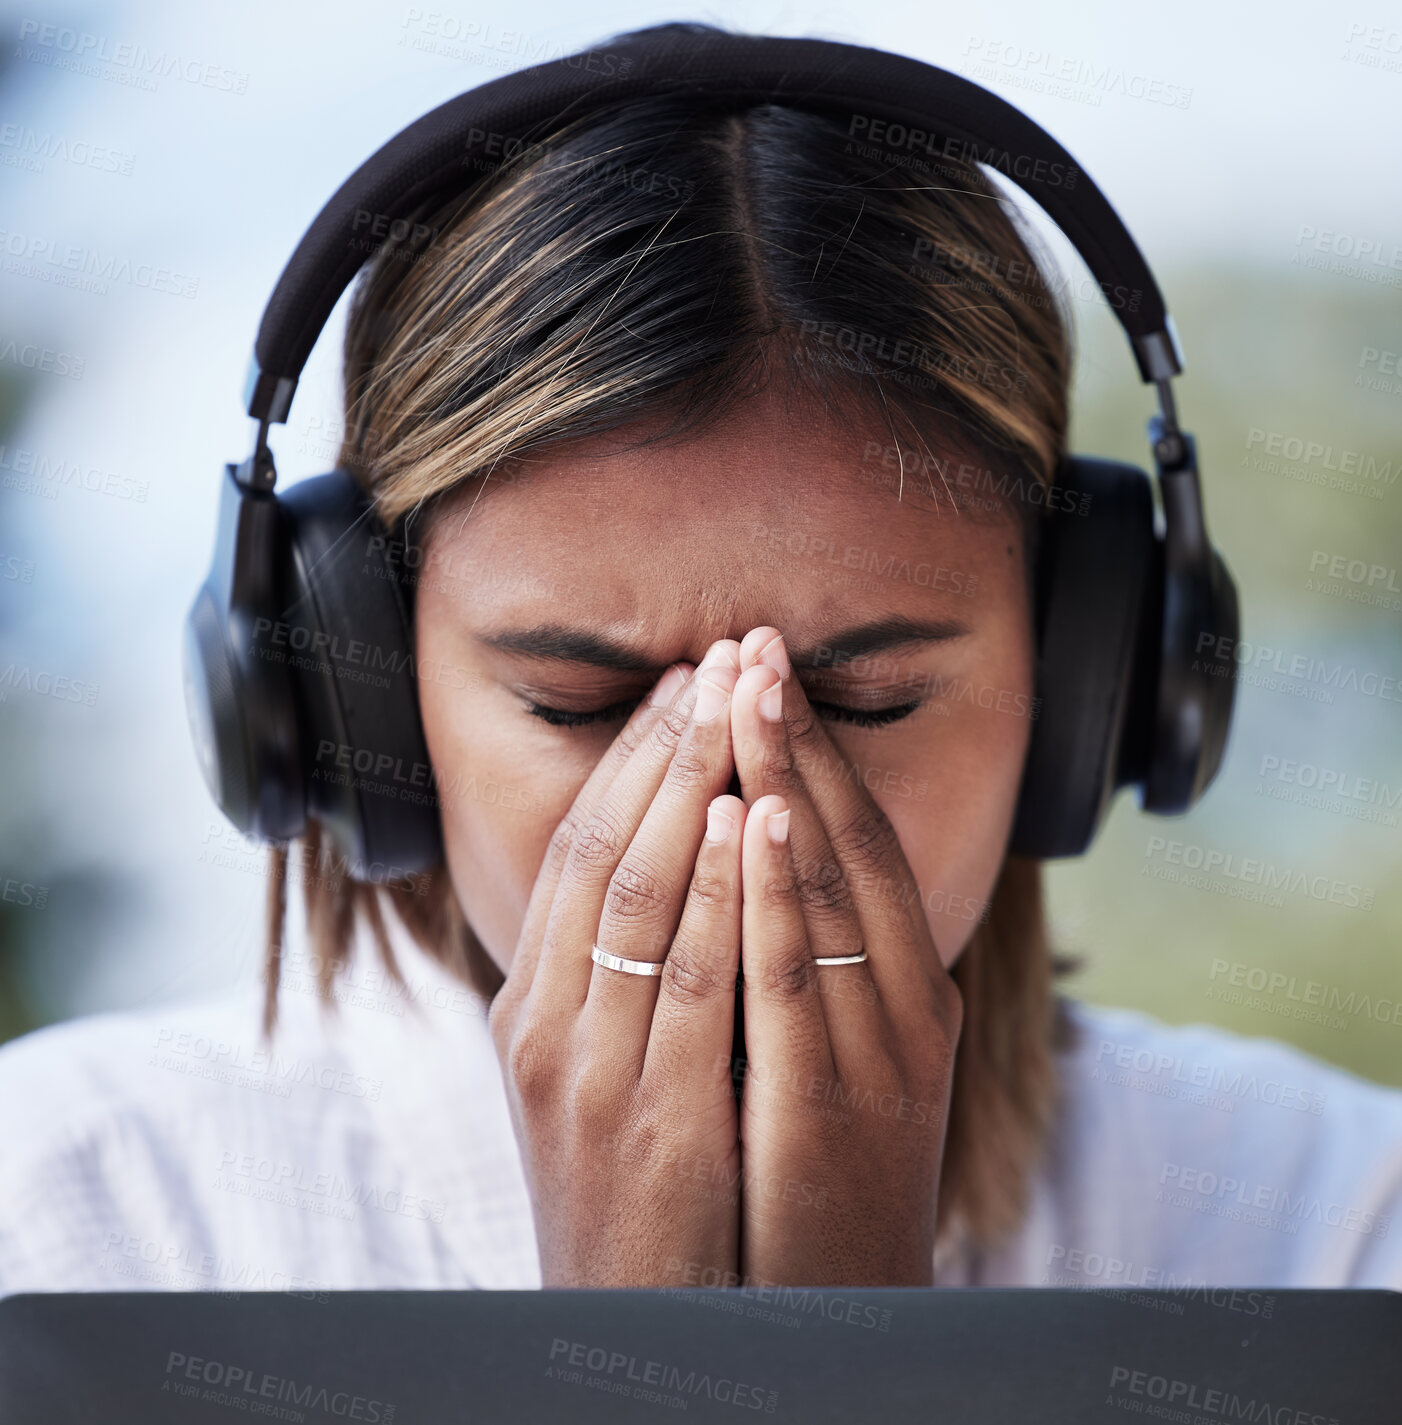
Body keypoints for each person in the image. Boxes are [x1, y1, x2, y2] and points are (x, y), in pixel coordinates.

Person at [2, 23, 1400, 1297]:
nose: (732, 812)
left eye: (863, 696)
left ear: (1096, 686)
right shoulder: (61, 1218)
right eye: (577, 699)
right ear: (342, 689)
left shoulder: (1330, 1232)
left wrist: (844, 1335)